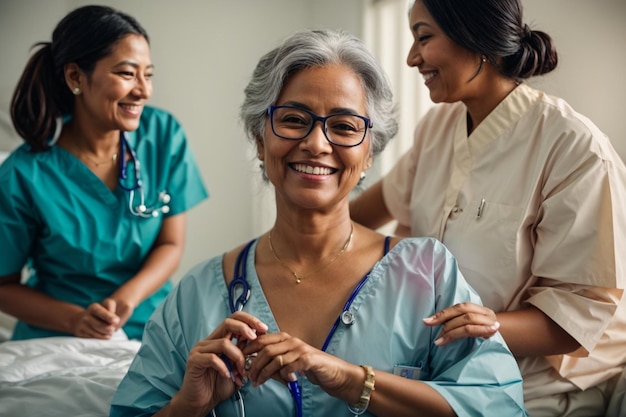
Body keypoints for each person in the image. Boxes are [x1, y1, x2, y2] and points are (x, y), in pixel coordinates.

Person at [110, 29, 527, 417]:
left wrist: (351, 379)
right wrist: (189, 404)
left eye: (344, 127)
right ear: (260, 138)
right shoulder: (197, 296)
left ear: (368, 154)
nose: (316, 143)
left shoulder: (428, 275)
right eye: (293, 119)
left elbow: (500, 405)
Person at [349, 1, 626, 416]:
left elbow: (577, 317)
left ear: (478, 39)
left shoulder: (573, 147)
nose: (411, 58)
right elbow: (352, 217)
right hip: (445, 370)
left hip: (538, 386)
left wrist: (484, 323)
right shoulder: (437, 130)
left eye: (424, 37)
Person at [0, 5, 208, 341]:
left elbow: (170, 243)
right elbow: (3, 286)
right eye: (127, 74)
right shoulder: (24, 174)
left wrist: (126, 300)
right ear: (75, 77)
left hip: (148, 326)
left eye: (148, 74)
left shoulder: (163, 135)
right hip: (57, 336)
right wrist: (76, 320)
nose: (143, 90)